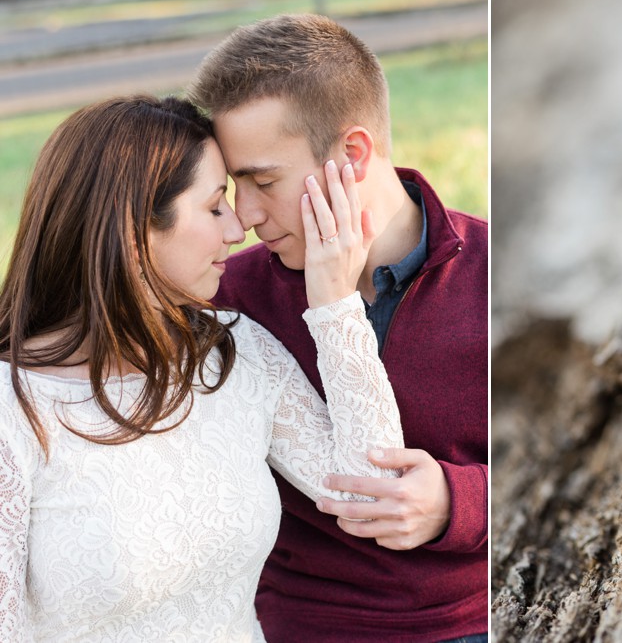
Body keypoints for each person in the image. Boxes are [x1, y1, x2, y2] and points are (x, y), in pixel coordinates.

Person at [0, 95, 405, 641]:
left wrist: (335, 306)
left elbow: (372, 490)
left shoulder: (235, 353)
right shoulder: (13, 409)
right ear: (135, 231)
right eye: (215, 206)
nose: (238, 229)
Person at [187, 13, 488, 641]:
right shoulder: (228, 295)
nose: (243, 217)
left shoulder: (493, 275)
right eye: (230, 187)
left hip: (469, 620)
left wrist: (459, 503)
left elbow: (587, 464)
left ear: (352, 155)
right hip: (301, 624)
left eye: (263, 181)